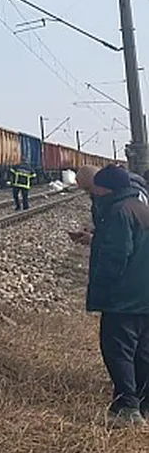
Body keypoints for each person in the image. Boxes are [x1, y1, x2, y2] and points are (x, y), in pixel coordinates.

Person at [82, 164, 149, 427]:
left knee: (118, 350)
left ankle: (126, 407)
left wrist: (100, 289)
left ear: (105, 187)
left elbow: (115, 256)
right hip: (144, 296)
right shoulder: (142, 208)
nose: (93, 191)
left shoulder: (118, 212)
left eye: (96, 186)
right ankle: (143, 404)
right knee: (143, 352)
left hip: (124, 298)